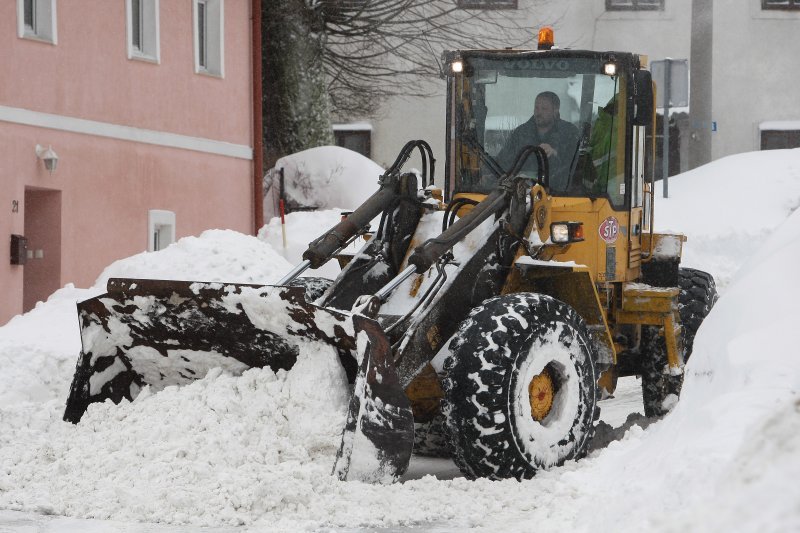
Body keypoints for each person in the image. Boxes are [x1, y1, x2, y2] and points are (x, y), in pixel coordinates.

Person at [496, 91, 580, 189]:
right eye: (536, 107)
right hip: (520, 193)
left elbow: (576, 167)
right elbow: (502, 161)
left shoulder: (569, 133)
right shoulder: (520, 133)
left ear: (555, 110)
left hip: (560, 194)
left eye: (544, 109)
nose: (538, 112)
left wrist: (555, 153)